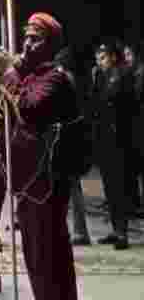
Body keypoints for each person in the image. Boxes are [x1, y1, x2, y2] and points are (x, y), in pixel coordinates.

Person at [0, 13, 79, 300]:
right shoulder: (32, 76)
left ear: (52, 44)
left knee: (47, 254)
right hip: (29, 179)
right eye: (26, 37)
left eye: (36, 39)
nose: (27, 44)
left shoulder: (55, 78)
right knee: (35, 253)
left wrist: (12, 78)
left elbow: (29, 108)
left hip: (46, 181)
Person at [91, 41, 134, 250]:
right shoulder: (101, 76)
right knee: (109, 186)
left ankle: (122, 232)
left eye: (103, 58)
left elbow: (124, 103)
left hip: (120, 138)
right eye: (98, 59)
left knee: (119, 187)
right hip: (105, 138)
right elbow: (95, 102)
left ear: (113, 57)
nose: (100, 62)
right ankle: (116, 229)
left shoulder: (123, 74)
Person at [54, 46, 91, 246]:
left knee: (71, 187)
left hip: (69, 141)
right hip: (73, 139)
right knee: (72, 186)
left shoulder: (66, 81)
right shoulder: (73, 80)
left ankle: (79, 231)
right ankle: (78, 230)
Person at [123, 43, 144, 217]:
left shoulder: (140, 73)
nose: (126, 58)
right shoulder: (130, 73)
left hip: (139, 124)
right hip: (133, 125)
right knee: (132, 167)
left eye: (129, 54)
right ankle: (134, 203)